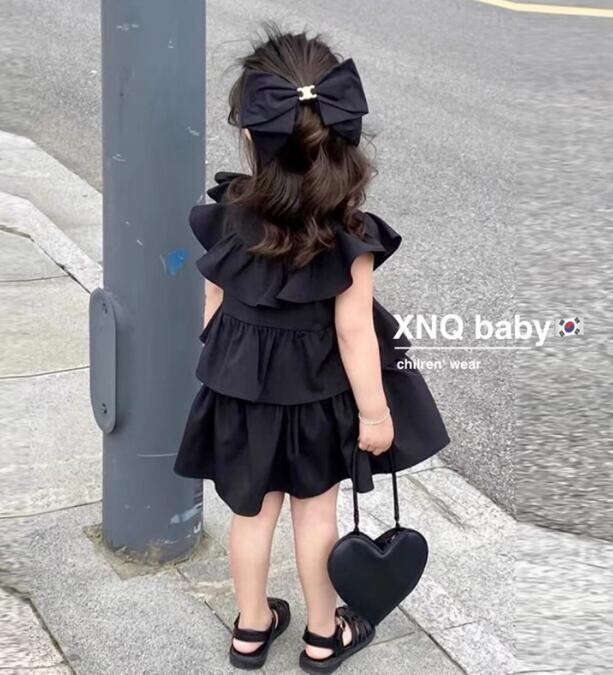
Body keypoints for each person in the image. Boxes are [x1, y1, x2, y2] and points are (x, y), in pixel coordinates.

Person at [174, 24, 450, 674]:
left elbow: (213, 302)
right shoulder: (348, 237)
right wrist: (376, 415)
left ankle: (250, 628)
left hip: (243, 395)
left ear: (250, 135)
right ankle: (323, 637)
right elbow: (355, 334)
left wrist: (222, 364)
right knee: (315, 517)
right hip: (317, 399)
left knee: (249, 514)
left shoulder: (230, 213)